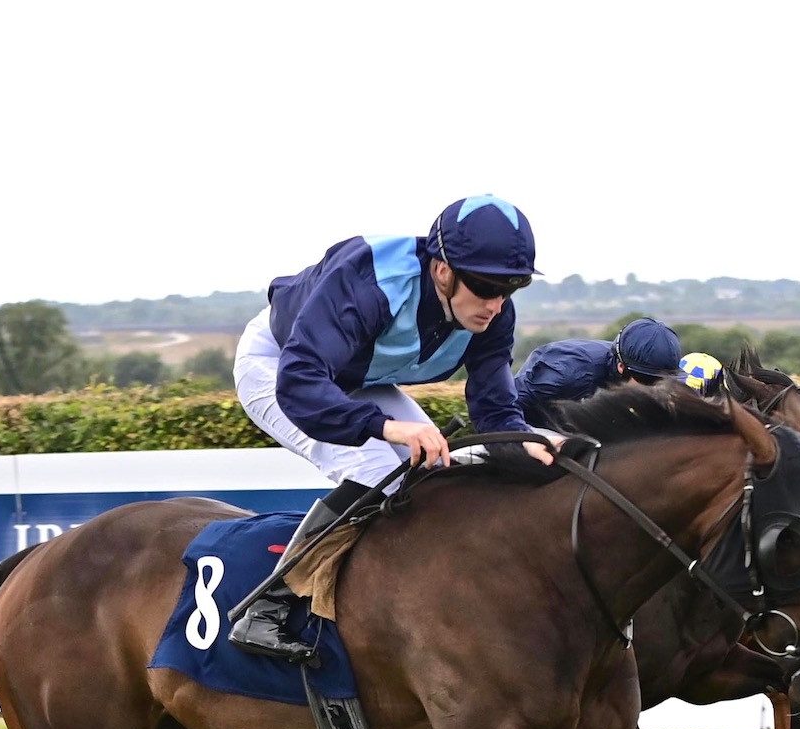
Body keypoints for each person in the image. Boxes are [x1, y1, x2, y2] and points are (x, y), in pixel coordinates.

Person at [228, 194, 556, 660]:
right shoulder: (369, 280)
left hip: (357, 377)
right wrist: (384, 427)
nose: (496, 305)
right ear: (442, 269)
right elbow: (301, 384)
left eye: (511, 288)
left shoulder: (493, 314)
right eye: (485, 287)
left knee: (434, 472)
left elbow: (496, 413)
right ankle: (266, 607)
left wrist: (535, 444)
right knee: (374, 469)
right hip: (281, 366)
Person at [512, 317, 683, 427]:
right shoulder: (568, 374)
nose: (654, 389)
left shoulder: (631, 365)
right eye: (648, 380)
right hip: (527, 419)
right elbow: (512, 403)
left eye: (663, 381)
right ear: (621, 367)